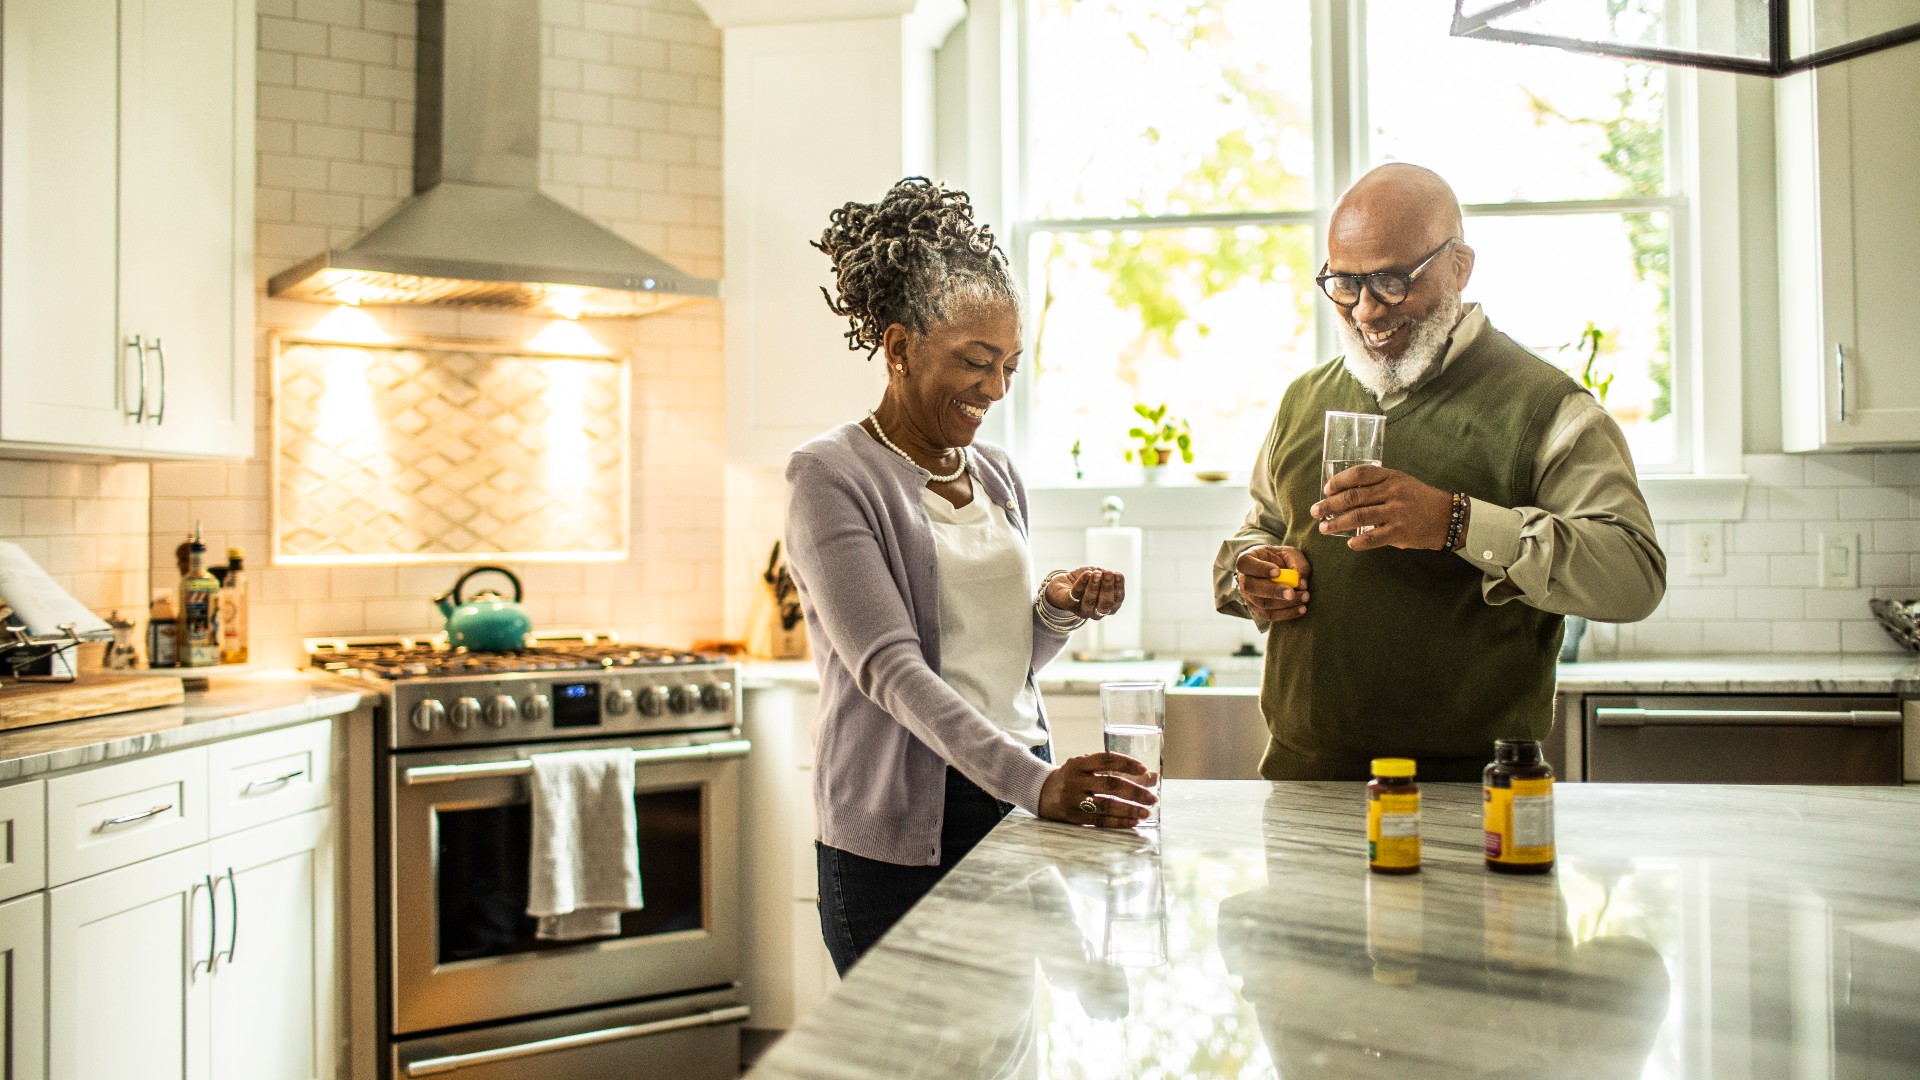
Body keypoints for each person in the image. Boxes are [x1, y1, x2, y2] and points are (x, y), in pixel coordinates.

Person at [785, 176, 1158, 975]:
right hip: (900, 843)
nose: (994, 390)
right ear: (899, 348)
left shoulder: (996, 475)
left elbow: (998, 662)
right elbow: (893, 670)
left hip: (1009, 792)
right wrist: (1040, 785)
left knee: (1007, 1049)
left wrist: (1054, 611)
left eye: (1010, 367)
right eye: (976, 363)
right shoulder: (830, 475)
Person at [1212, 163, 1665, 781]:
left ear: (1459, 266)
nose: (1365, 310)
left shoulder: (1548, 408)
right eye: (1344, 283)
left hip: (1474, 794)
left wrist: (1455, 522)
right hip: (1301, 782)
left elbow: (1634, 577)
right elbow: (1260, 531)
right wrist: (1250, 578)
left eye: (1391, 281)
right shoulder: (1304, 398)